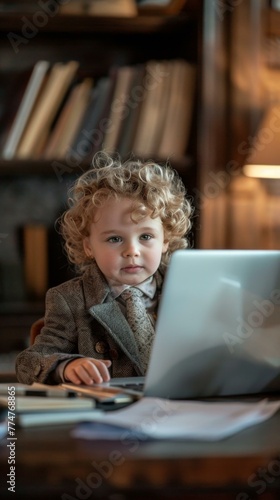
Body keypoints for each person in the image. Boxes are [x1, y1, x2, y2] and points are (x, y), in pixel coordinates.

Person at [16, 152, 193, 385]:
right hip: (111, 411)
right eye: (114, 239)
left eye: (146, 236)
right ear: (88, 246)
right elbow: (28, 363)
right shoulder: (69, 300)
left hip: (181, 405)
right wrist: (66, 366)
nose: (132, 250)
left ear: (165, 241)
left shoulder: (189, 289)